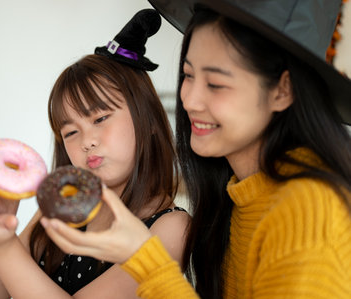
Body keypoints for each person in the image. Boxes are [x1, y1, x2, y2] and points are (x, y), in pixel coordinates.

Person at [42, 0, 351, 298]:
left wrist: (146, 262)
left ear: (282, 91)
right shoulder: (235, 196)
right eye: (189, 75)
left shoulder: (310, 210)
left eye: (215, 83)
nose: (189, 100)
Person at [0, 9, 190, 299]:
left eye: (100, 119)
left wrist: (2, 244)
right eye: (70, 132)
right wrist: (0, 226)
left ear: (149, 119)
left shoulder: (171, 228)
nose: (86, 141)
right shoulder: (65, 201)